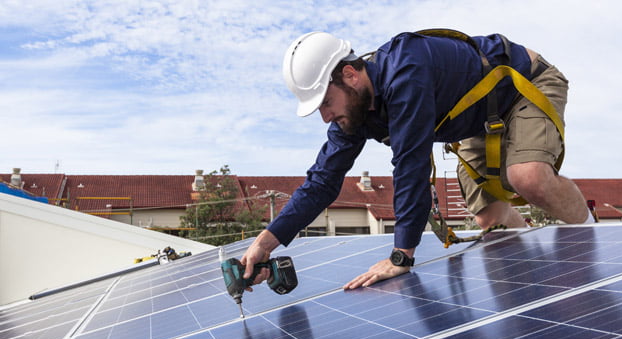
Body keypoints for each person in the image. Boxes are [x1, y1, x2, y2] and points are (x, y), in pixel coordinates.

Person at [241, 29, 592, 290]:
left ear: (349, 75)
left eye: (326, 103)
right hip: (476, 121)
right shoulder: (355, 110)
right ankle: (535, 287)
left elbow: (411, 166)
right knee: (490, 217)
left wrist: (401, 255)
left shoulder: (406, 71)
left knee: (527, 176)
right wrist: (264, 244)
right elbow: (321, 183)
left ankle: (597, 254)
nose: (325, 117)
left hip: (522, 86)